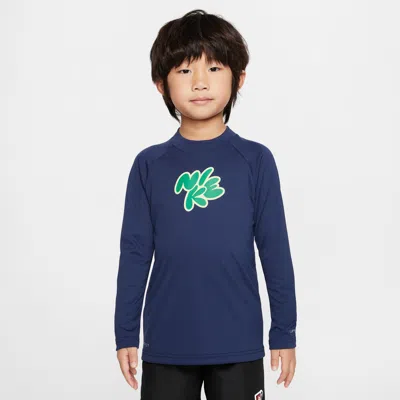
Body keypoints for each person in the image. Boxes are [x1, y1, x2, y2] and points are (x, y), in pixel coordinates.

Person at [114, 9, 297, 400]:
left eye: (214, 68)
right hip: (167, 343)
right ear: (161, 84)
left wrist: (284, 330)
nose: (199, 82)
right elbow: (134, 253)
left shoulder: (255, 160)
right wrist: (125, 332)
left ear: (238, 78)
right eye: (184, 71)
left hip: (238, 343)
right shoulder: (149, 165)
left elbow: (274, 249)